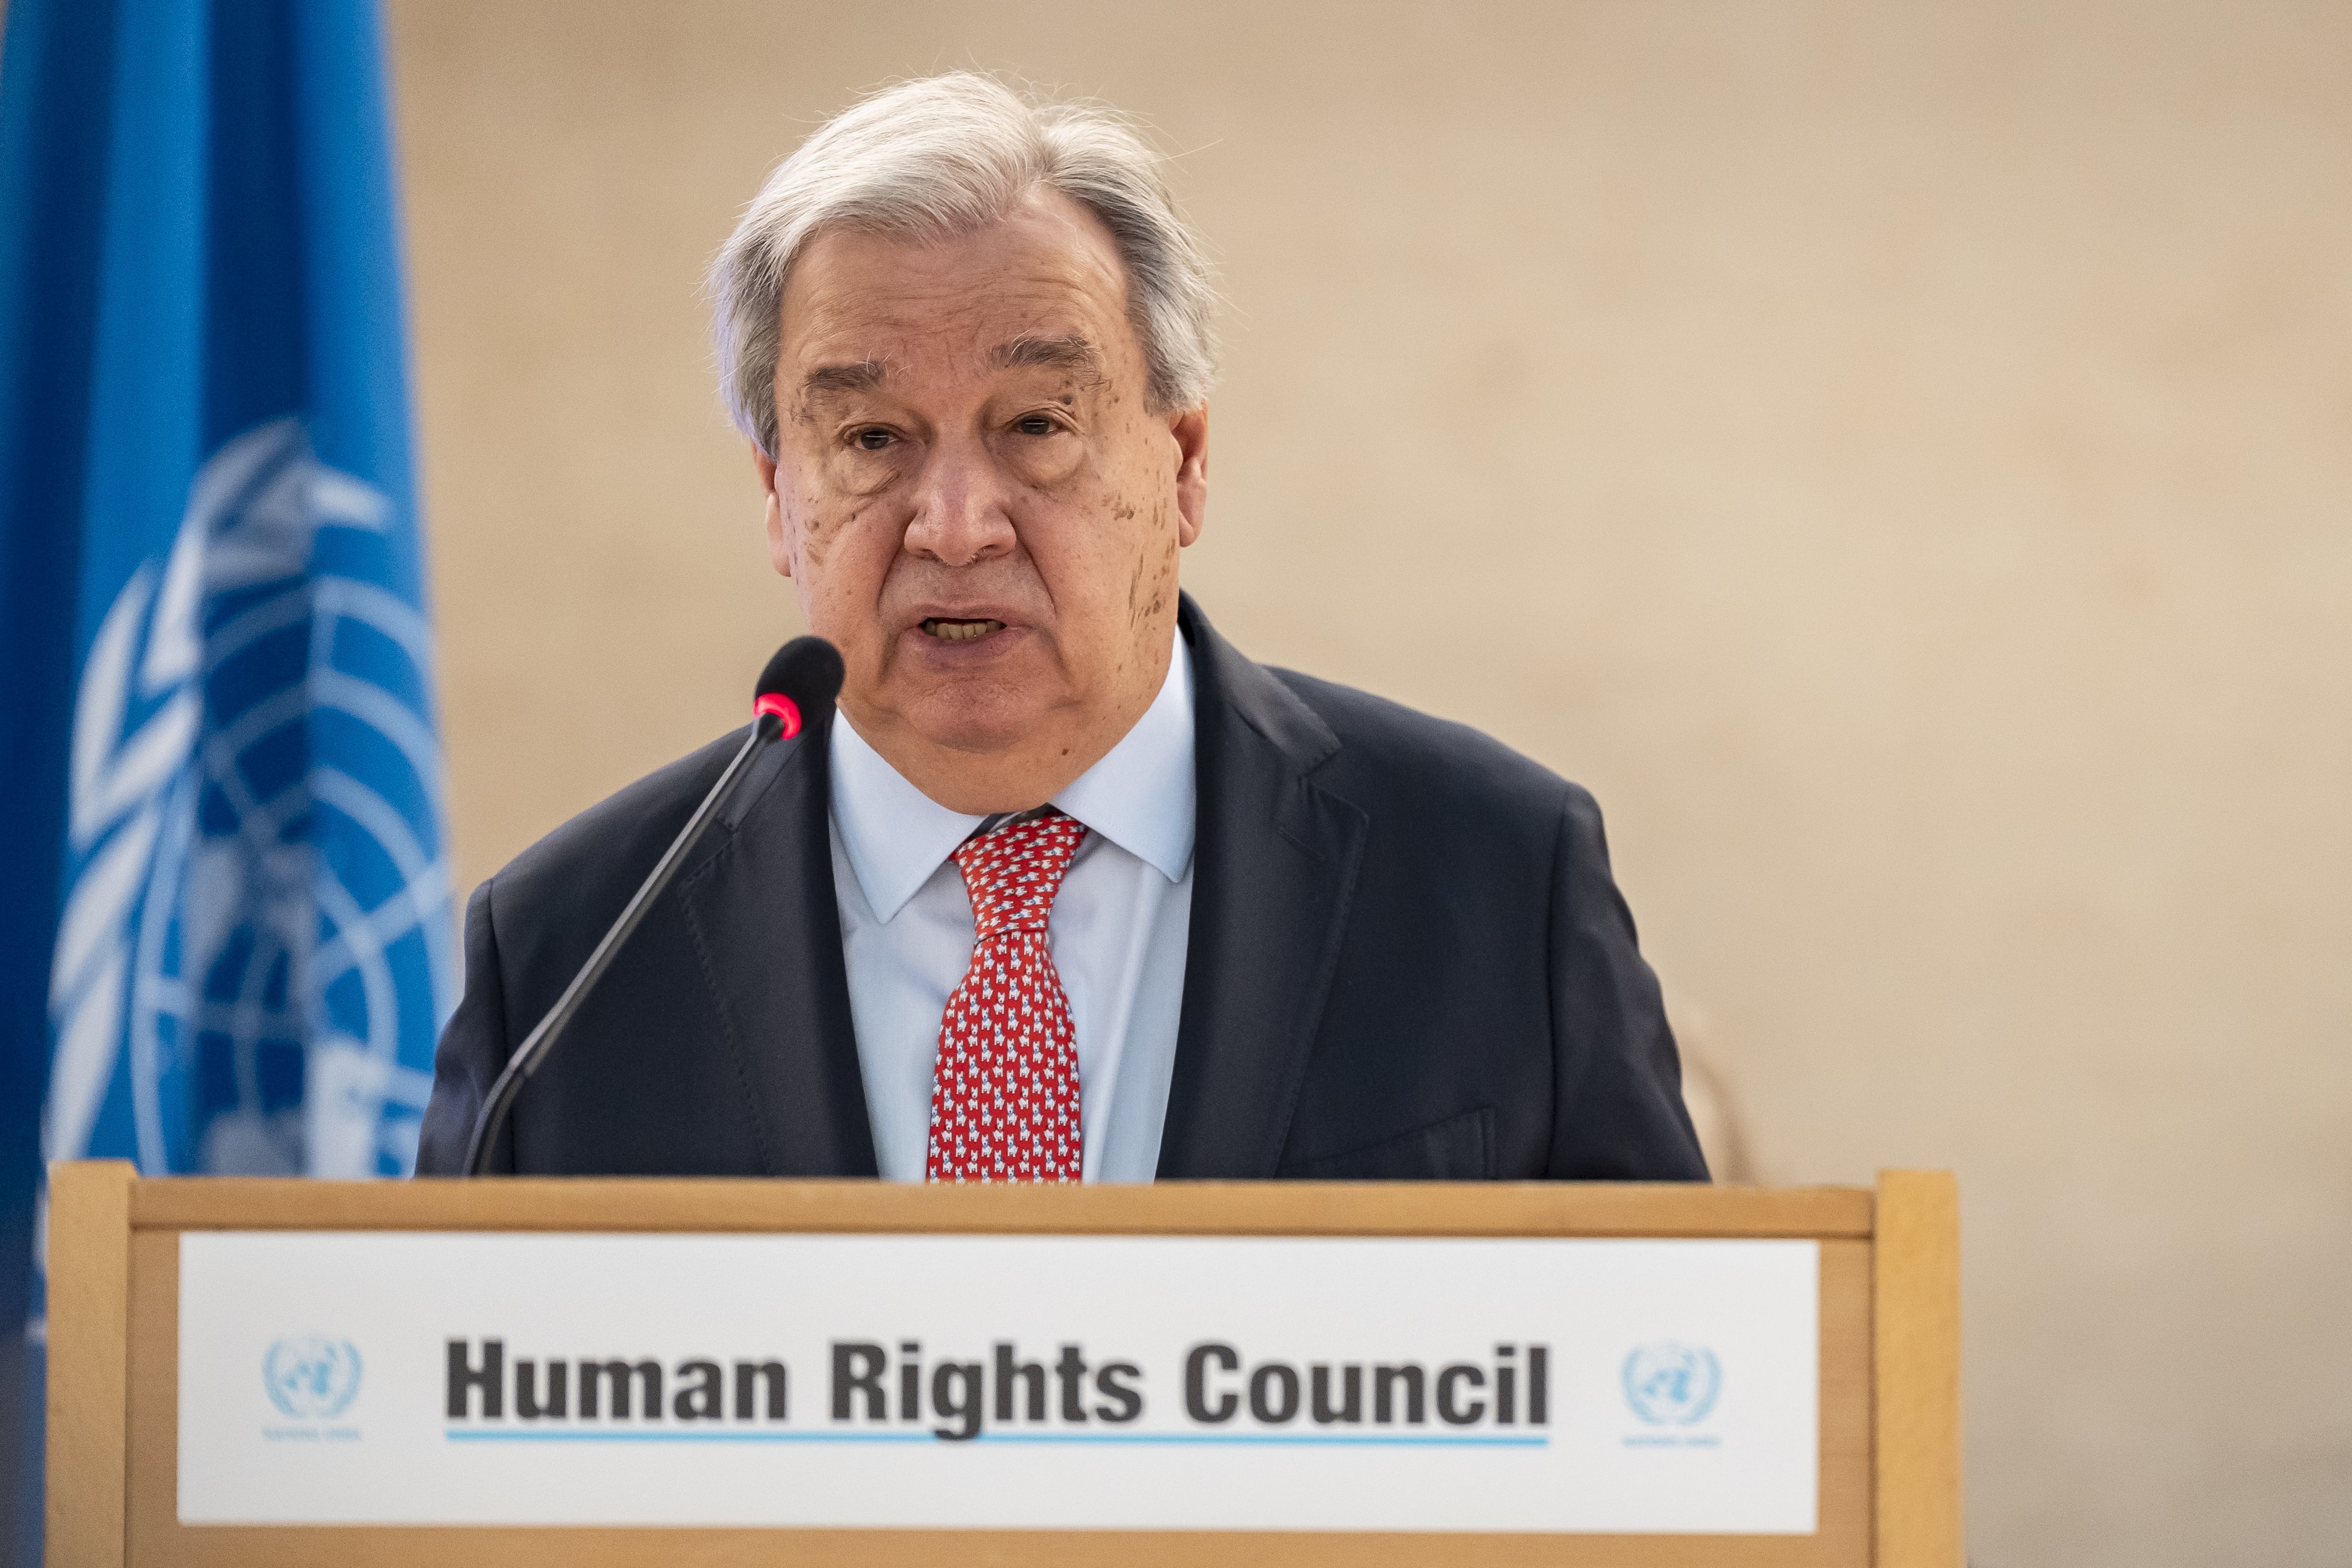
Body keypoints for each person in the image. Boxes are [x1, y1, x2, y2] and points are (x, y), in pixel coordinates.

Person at [415, 74, 1706, 1184]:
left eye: (1037, 424)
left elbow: (1692, 1401)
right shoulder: (569, 957)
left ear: (1183, 461)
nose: (958, 525)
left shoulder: (1491, 878)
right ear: (778, 497)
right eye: (870, 439)